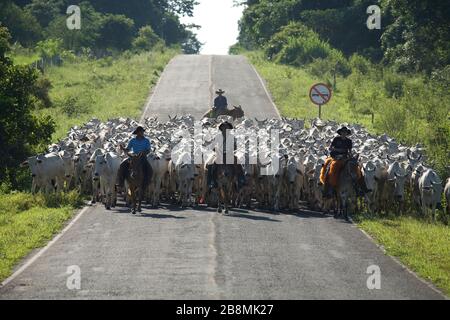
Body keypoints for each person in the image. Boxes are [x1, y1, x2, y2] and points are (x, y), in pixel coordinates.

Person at [320, 126, 367, 197]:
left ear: (347, 133)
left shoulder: (349, 141)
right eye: (342, 132)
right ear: (340, 133)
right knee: (333, 167)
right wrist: (337, 150)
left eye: (345, 132)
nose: (344, 133)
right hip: (335, 157)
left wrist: (352, 156)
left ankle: (360, 188)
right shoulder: (336, 139)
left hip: (345, 158)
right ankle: (329, 188)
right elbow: (331, 148)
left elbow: (350, 151)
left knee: (356, 168)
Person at [207, 121, 245, 190]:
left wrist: (231, 149)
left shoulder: (232, 137)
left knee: (238, 163)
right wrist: (216, 150)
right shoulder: (217, 137)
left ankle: (241, 180)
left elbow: (235, 147)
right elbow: (212, 146)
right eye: (224, 127)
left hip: (229, 154)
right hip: (219, 154)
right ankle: (211, 181)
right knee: (210, 164)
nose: (225, 129)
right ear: (221, 128)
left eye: (227, 127)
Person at [117, 126, 152, 190]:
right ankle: (121, 182)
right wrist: (123, 148)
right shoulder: (132, 140)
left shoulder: (146, 140)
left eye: (142, 132)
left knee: (150, 169)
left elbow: (148, 150)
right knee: (122, 165)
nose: (142, 133)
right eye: (141, 132)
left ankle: (148, 182)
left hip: (142, 157)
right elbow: (128, 149)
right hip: (133, 157)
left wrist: (144, 152)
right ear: (137, 133)